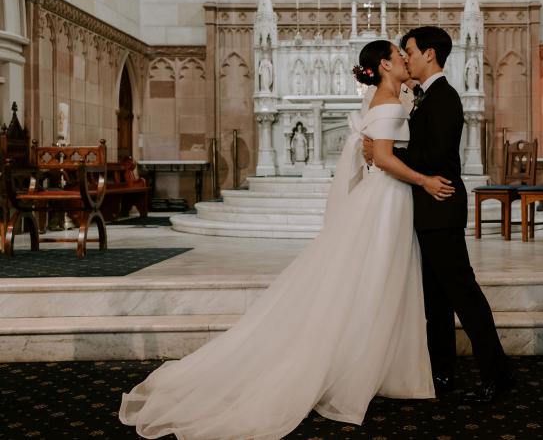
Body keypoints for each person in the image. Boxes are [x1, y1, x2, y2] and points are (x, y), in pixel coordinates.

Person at [119, 40, 455, 440]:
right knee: (377, 278)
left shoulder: (387, 97)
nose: (404, 57)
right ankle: (361, 367)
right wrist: (424, 180)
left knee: (381, 280)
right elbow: (382, 157)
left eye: (407, 53)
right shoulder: (386, 103)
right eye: (399, 55)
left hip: (388, 198)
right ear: (384, 65)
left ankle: (377, 362)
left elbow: (383, 148)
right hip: (388, 198)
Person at [364, 26, 513, 403]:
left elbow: (436, 157)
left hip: (440, 206)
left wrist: (386, 156)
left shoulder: (445, 97)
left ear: (429, 54)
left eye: (409, 50)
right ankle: (442, 372)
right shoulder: (423, 97)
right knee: (436, 302)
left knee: (464, 294)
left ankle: (497, 374)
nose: (406, 56)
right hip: (426, 209)